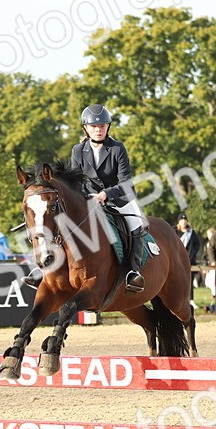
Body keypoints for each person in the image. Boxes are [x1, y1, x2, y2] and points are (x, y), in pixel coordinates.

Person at [23, 104, 148, 292]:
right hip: (90, 200)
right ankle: (46, 269)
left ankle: (133, 271)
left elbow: (126, 182)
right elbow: (76, 181)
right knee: (59, 220)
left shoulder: (117, 149)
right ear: (86, 128)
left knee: (135, 224)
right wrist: (85, 197)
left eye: (102, 126)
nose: (98, 130)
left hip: (119, 199)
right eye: (94, 127)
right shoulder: (78, 150)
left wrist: (106, 194)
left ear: (108, 127)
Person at [177, 216, 201, 287]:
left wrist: (192, 253)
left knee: (189, 281)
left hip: (190, 260)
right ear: (179, 221)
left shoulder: (191, 232)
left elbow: (197, 244)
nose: (183, 221)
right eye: (181, 220)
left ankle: (190, 294)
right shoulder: (174, 231)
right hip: (177, 260)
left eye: (185, 220)